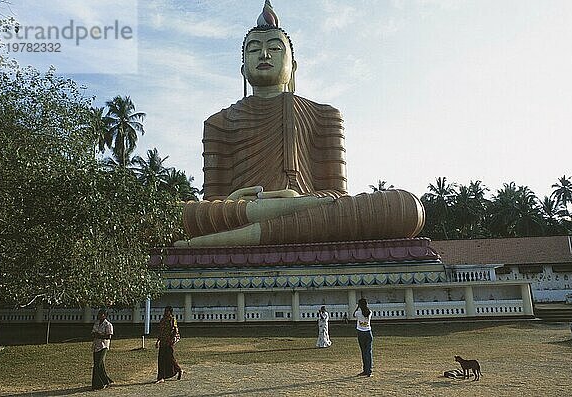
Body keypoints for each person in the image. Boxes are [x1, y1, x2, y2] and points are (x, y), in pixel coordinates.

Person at [175, 0, 425, 248]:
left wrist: (293, 201)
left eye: (274, 48)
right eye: (253, 50)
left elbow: (336, 196)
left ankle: (234, 237)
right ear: (243, 69)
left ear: (292, 67)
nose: (264, 55)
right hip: (248, 212)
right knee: (172, 216)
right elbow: (214, 203)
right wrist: (250, 202)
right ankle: (264, 225)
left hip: (307, 206)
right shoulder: (218, 122)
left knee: (405, 207)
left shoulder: (324, 114)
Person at [155, 306, 183, 383]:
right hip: (162, 342)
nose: (165, 312)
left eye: (167, 311)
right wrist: (158, 341)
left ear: (170, 312)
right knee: (161, 359)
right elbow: (161, 332)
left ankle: (179, 369)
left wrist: (172, 339)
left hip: (169, 342)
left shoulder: (172, 320)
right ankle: (161, 377)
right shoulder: (163, 320)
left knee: (170, 358)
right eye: (165, 311)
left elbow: (175, 330)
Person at [91, 309, 114, 390]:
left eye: (101, 314)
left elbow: (108, 336)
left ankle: (101, 383)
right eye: (99, 314)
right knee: (97, 364)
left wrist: (99, 335)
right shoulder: (97, 323)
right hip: (96, 346)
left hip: (103, 346)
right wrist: (96, 335)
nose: (99, 315)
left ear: (105, 315)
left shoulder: (108, 324)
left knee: (99, 364)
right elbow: (93, 333)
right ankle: (104, 381)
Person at [353, 298, 373, 377]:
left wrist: (357, 307)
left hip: (361, 333)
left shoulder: (358, 312)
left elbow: (353, 315)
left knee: (363, 352)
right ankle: (369, 370)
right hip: (368, 332)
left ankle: (365, 369)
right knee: (368, 352)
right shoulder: (369, 312)